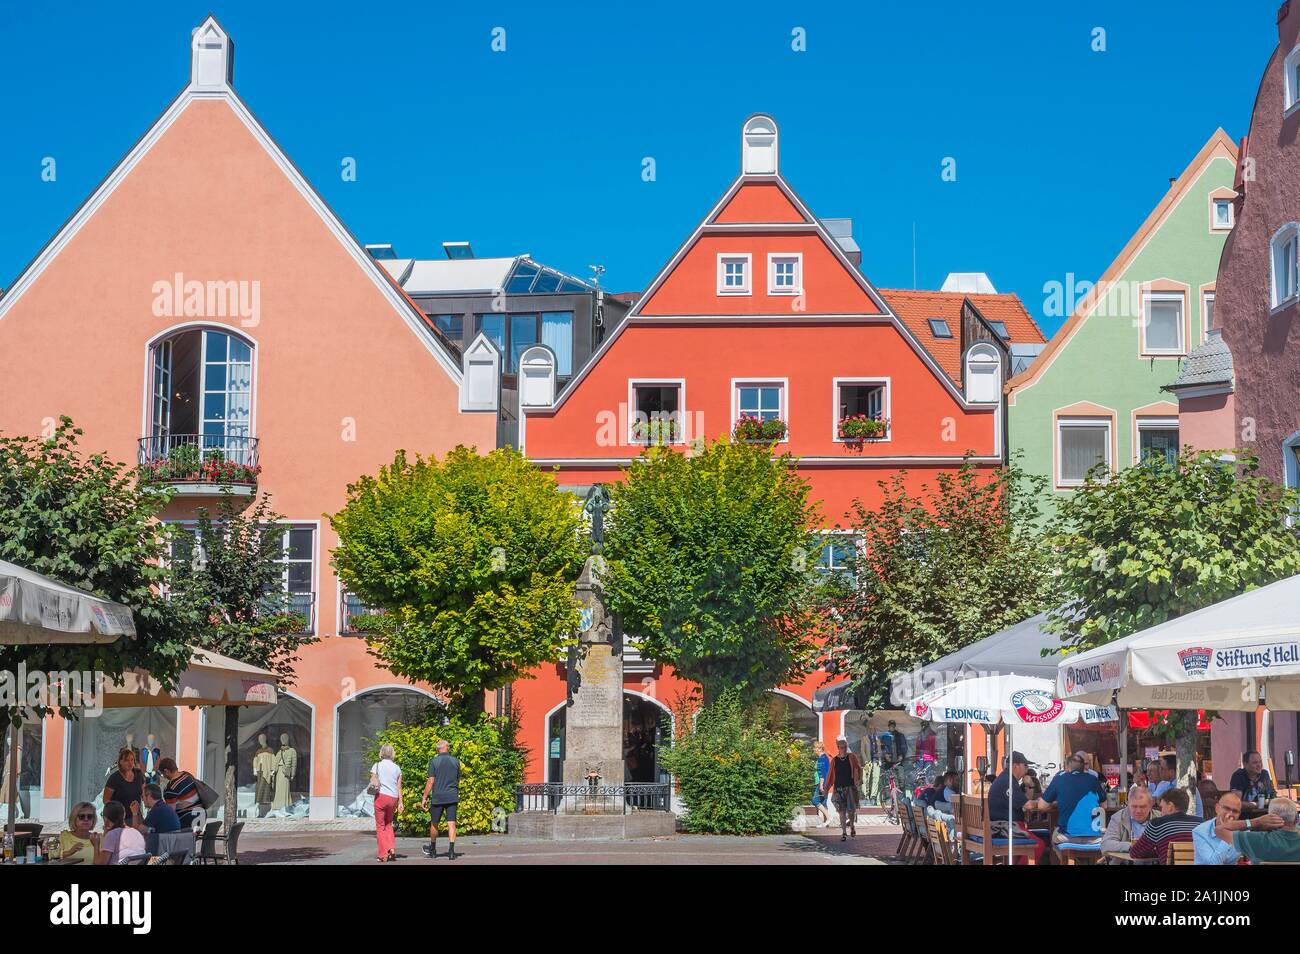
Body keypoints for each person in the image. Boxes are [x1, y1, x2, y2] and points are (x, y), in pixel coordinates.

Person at [1028, 752, 1106, 845]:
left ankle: (1064, 859)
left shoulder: (1059, 779)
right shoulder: (1093, 779)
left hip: (1068, 837)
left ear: (1068, 768)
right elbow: (1104, 806)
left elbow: (1041, 806)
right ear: (1083, 767)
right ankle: (1090, 859)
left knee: (1054, 836)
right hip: (1095, 837)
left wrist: (1054, 804)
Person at [987, 751, 1046, 864]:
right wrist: (1040, 801)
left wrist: (1030, 785)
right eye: (1025, 765)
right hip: (1005, 827)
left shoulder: (1007, 779)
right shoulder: (1008, 782)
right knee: (1038, 845)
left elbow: (1024, 801)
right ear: (1015, 766)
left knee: (1031, 845)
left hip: (1001, 826)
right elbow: (1028, 805)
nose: (1027, 769)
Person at [1192, 791, 1273, 865]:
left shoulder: (1242, 832)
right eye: (1226, 808)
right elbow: (1213, 863)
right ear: (1217, 808)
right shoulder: (1200, 832)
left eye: (1235, 811)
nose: (1230, 814)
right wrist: (1225, 832)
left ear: (1239, 814)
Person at [1129, 788, 1201, 863]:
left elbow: (1135, 852)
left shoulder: (1157, 824)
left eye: (1162, 807)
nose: (1161, 812)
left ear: (1170, 807)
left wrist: (1158, 850)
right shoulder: (1201, 824)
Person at [421, 739, 461, 860]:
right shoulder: (456, 761)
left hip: (438, 797)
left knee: (434, 823)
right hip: (452, 796)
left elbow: (431, 781)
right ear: (447, 748)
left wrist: (424, 797)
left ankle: (433, 850)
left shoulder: (434, 761)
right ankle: (451, 852)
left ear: (438, 749)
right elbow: (457, 779)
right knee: (451, 824)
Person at [1231, 796, 1300, 864]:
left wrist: (1255, 822)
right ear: (1296, 818)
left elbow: (1222, 829)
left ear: (1269, 817)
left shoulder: (1257, 839)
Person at [1100, 786, 1158, 860]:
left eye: (1142, 807)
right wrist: (1132, 846)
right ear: (1128, 804)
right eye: (1134, 806)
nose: (1138, 811)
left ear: (1150, 805)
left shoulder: (1160, 818)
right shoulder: (1118, 818)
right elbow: (1106, 845)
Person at [823, 736, 862, 841]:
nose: (843, 749)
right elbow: (830, 776)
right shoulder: (834, 761)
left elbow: (858, 768)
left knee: (851, 811)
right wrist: (826, 789)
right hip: (838, 789)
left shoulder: (852, 757)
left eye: (845, 747)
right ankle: (844, 832)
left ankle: (852, 826)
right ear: (838, 748)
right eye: (841, 747)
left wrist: (859, 780)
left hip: (850, 787)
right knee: (841, 811)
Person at [369, 743, 403, 862]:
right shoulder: (397, 767)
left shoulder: (377, 765)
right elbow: (399, 787)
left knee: (380, 826)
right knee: (388, 824)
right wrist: (401, 803)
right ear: (392, 753)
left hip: (381, 796)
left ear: (381, 752)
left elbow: (372, 781)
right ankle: (391, 848)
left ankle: (383, 854)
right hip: (393, 798)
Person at [103, 747, 143, 827]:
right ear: (120, 761)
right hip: (120, 819)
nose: (130, 763)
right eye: (127, 760)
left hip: (137, 816)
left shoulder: (138, 774)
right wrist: (116, 812)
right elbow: (106, 800)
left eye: (132, 760)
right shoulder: (114, 778)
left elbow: (144, 793)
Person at [159, 757, 203, 828]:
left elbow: (171, 814)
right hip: (202, 815)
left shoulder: (171, 789)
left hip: (188, 819)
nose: (163, 776)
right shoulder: (187, 775)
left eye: (162, 774)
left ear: (166, 771)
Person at [811, 741, 831, 827]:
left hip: (822, 783)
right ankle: (826, 822)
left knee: (815, 800)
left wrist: (821, 784)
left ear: (819, 749)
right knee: (823, 802)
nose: (814, 749)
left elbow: (822, 773)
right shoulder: (824, 757)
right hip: (825, 783)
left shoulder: (821, 759)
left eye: (815, 748)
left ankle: (829, 818)